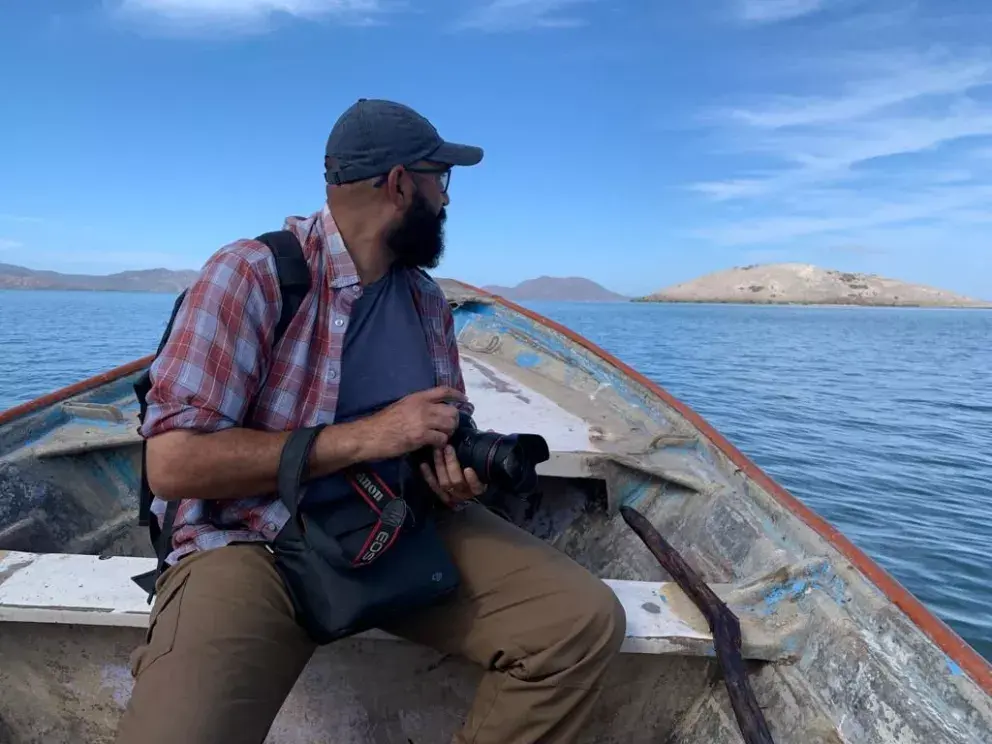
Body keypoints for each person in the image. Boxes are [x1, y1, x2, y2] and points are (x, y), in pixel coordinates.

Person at [114, 98, 626, 744]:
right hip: (256, 543)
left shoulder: (427, 302)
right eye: (441, 181)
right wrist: (370, 437)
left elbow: (434, 429)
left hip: (397, 528)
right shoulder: (250, 275)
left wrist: (451, 475)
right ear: (399, 185)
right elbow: (173, 463)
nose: (446, 201)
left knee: (580, 626)